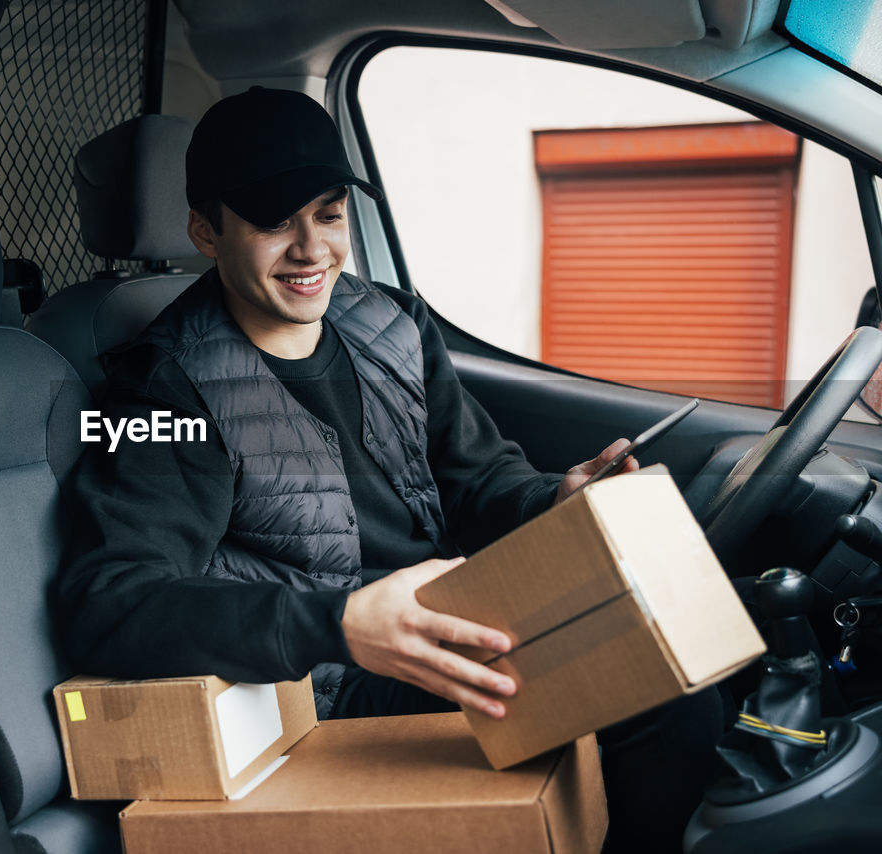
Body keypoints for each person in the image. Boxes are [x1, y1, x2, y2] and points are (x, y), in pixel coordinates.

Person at [57, 86, 721, 853]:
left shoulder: (391, 324)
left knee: (696, 621)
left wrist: (554, 500)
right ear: (206, 231)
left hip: (441, 616)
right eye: (276, 222)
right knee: (657, 696)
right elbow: (106, 600)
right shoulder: (164, 386)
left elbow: (475, 480)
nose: (311, 249)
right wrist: (339, 624)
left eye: (328, 213)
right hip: (328, 681)